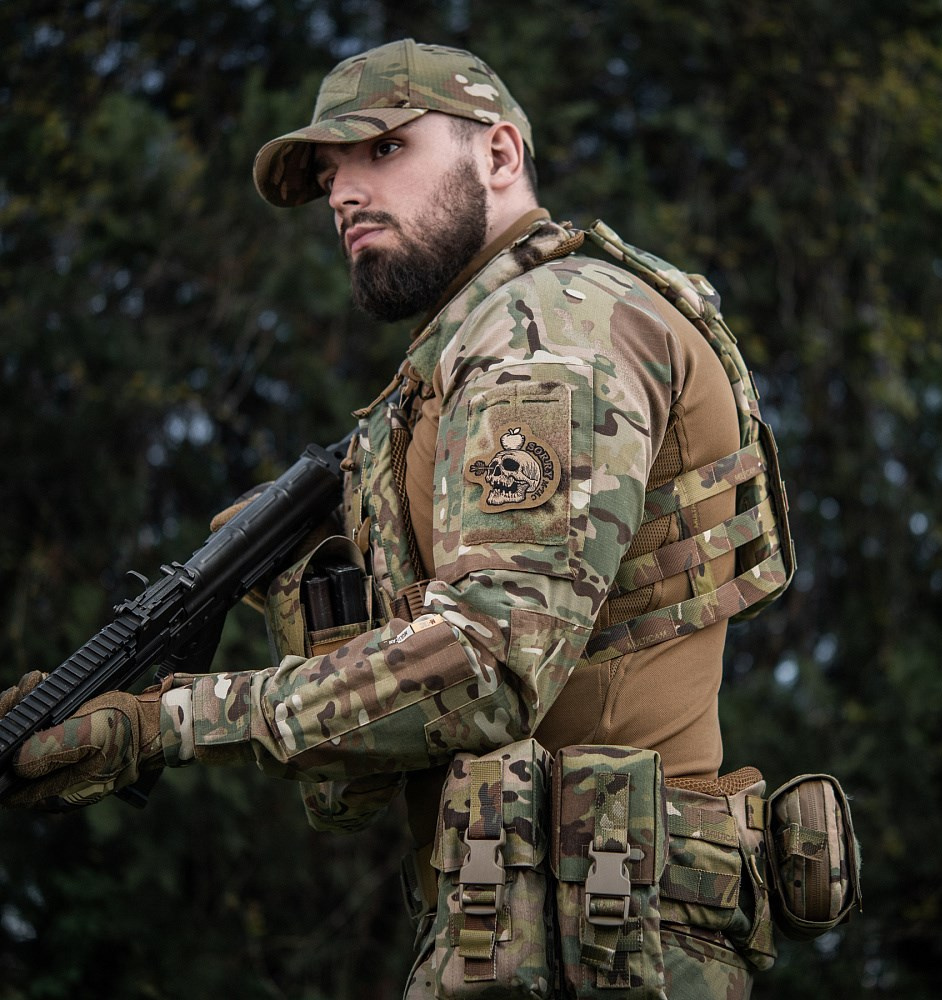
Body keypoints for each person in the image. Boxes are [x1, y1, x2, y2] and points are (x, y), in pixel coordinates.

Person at [0, 39, 798, 998]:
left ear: (498, 154)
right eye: (330, 175)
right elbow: (357, 793)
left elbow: (489, 667)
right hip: (530, 930)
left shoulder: (549, 331)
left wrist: (167, 721)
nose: (343, 194)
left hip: (608, 941)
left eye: (383, 150)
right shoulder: (443, 373)